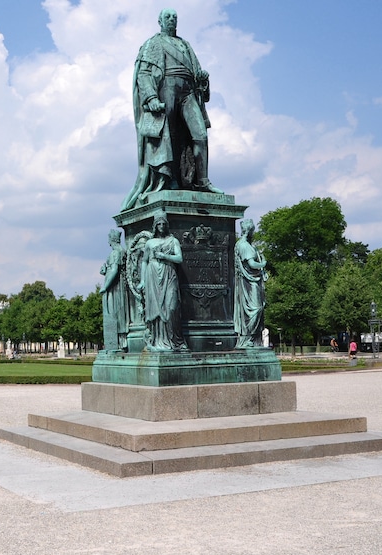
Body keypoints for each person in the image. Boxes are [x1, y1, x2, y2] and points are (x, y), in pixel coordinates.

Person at [122, 8, 222, 211]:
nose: (172, 20)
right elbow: (144, 73)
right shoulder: (153, 43)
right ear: (159, 20)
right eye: (168, 17)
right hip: (165, 87)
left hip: (187, 91)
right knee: (168, 138)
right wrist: (151, 97)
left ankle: (202, 180)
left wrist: (203, 79)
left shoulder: (185, 45)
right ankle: (171, 180)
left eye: (175, 17)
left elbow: (197, 73)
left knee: (200, 135)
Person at [140, 211, 187, 351]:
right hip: (153, 276)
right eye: (158, 224)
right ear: (155, 226)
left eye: (163, 224)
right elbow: (144, 261)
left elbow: (179, 259)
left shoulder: (173, 241)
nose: (161, 226)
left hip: (169, 274)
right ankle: (158, 340)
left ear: (167, 225)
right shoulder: (149, 243)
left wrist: (164, 256)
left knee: (172, 307)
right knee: (155, 309)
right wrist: (143, 280)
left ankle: (174, 340)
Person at [233, 219, 266, 348]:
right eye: (252, 231)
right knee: (256, 309)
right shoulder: (244, 245)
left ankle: (252, 338)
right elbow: (252, 264)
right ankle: (248, 337)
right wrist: (263, 264)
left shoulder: (246, 244)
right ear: (249, 231)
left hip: (250, 281)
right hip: (249, 283)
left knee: (255, 309)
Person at [100, 229, 128, 351]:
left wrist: (105, 286)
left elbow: (115, 270)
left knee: (115, 312)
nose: (108, 242)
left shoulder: (115, 253)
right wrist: (105, 271)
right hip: (119, 285)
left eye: (109, 239)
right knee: (119, 312)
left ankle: (119, 343)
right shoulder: (123, 251)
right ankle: (120, 342)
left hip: (115, 287)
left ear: (112, 239)